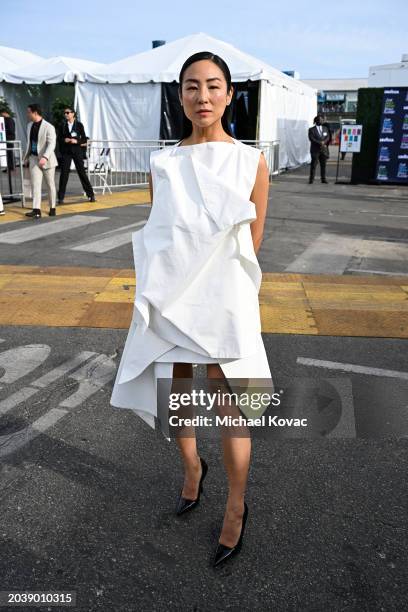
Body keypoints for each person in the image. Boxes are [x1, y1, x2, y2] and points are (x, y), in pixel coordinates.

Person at [110, 51, 273, 568]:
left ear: (229, 94)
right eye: (191, 87)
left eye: (213, 86)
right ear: (179, 96)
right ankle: (192, 468)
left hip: (226, 298)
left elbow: (254, 239)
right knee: (173, 389)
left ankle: (236, 505)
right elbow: (166, 237)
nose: (202, 97)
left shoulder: (252, 161)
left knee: (233, 404)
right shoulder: (163, 162)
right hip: (173, 298)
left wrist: (226, 294)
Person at [23, 104, 58, 219]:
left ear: (35, 113)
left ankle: (52, 207)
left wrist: (45, 157)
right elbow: (29, 142)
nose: (27, 114)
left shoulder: (49, 127)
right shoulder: (29, 126)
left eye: (29, 112)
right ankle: (36, 210)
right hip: (33, 158)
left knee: (50, 184)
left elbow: (51, 144)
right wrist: (26, 157)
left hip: (47, 160)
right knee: (35, 185)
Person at [57, 107, 95, 203]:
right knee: (64, 174)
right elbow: (59, 138)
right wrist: (64, 140)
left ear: (73, 114)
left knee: (82, 172)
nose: (66, 114)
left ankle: (90, 195)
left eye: (68, 112)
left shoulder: (79, 125)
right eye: (64, 113)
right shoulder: (62, 125)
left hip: (77, 151)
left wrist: (77, 141)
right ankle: (60, 197)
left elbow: (84, 139)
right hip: (66, 152)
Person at [308, 114, 330, 183]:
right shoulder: (311, 129)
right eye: (320, 120)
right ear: (316, 121)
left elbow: (328, 137)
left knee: (323, 165)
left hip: (324, 150)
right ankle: (311, 179)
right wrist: (320, 143)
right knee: (313, 165)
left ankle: (323, 179)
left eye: (322, 120)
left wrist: (324, 142)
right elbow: (311, 138)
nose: (322, 121)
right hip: (315, 150)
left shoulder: (325, 128)